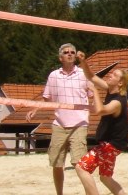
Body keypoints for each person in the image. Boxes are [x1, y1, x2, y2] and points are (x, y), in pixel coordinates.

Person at [27, 43, 92, 195]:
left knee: (80, 165)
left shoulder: (83, 74)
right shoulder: (54, 75)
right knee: (57, 164)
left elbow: (92, 95)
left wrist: (96, 111)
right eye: (66, 52)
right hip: (59, 125)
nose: (70, 54)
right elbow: (47, 98)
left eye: (72, 52)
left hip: (79, 124)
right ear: (60, 57)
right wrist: (35, 109)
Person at [75, 51, 128, 195]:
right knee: (105, 177)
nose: (110, 75)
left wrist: (94, 91)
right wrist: (83, 61)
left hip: (110, 146)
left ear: (120, 83)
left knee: (81, 167)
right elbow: (91, 76)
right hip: (113, 145)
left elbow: (100, 110)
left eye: (114, 75)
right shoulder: (110, 90)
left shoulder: (118, 101)